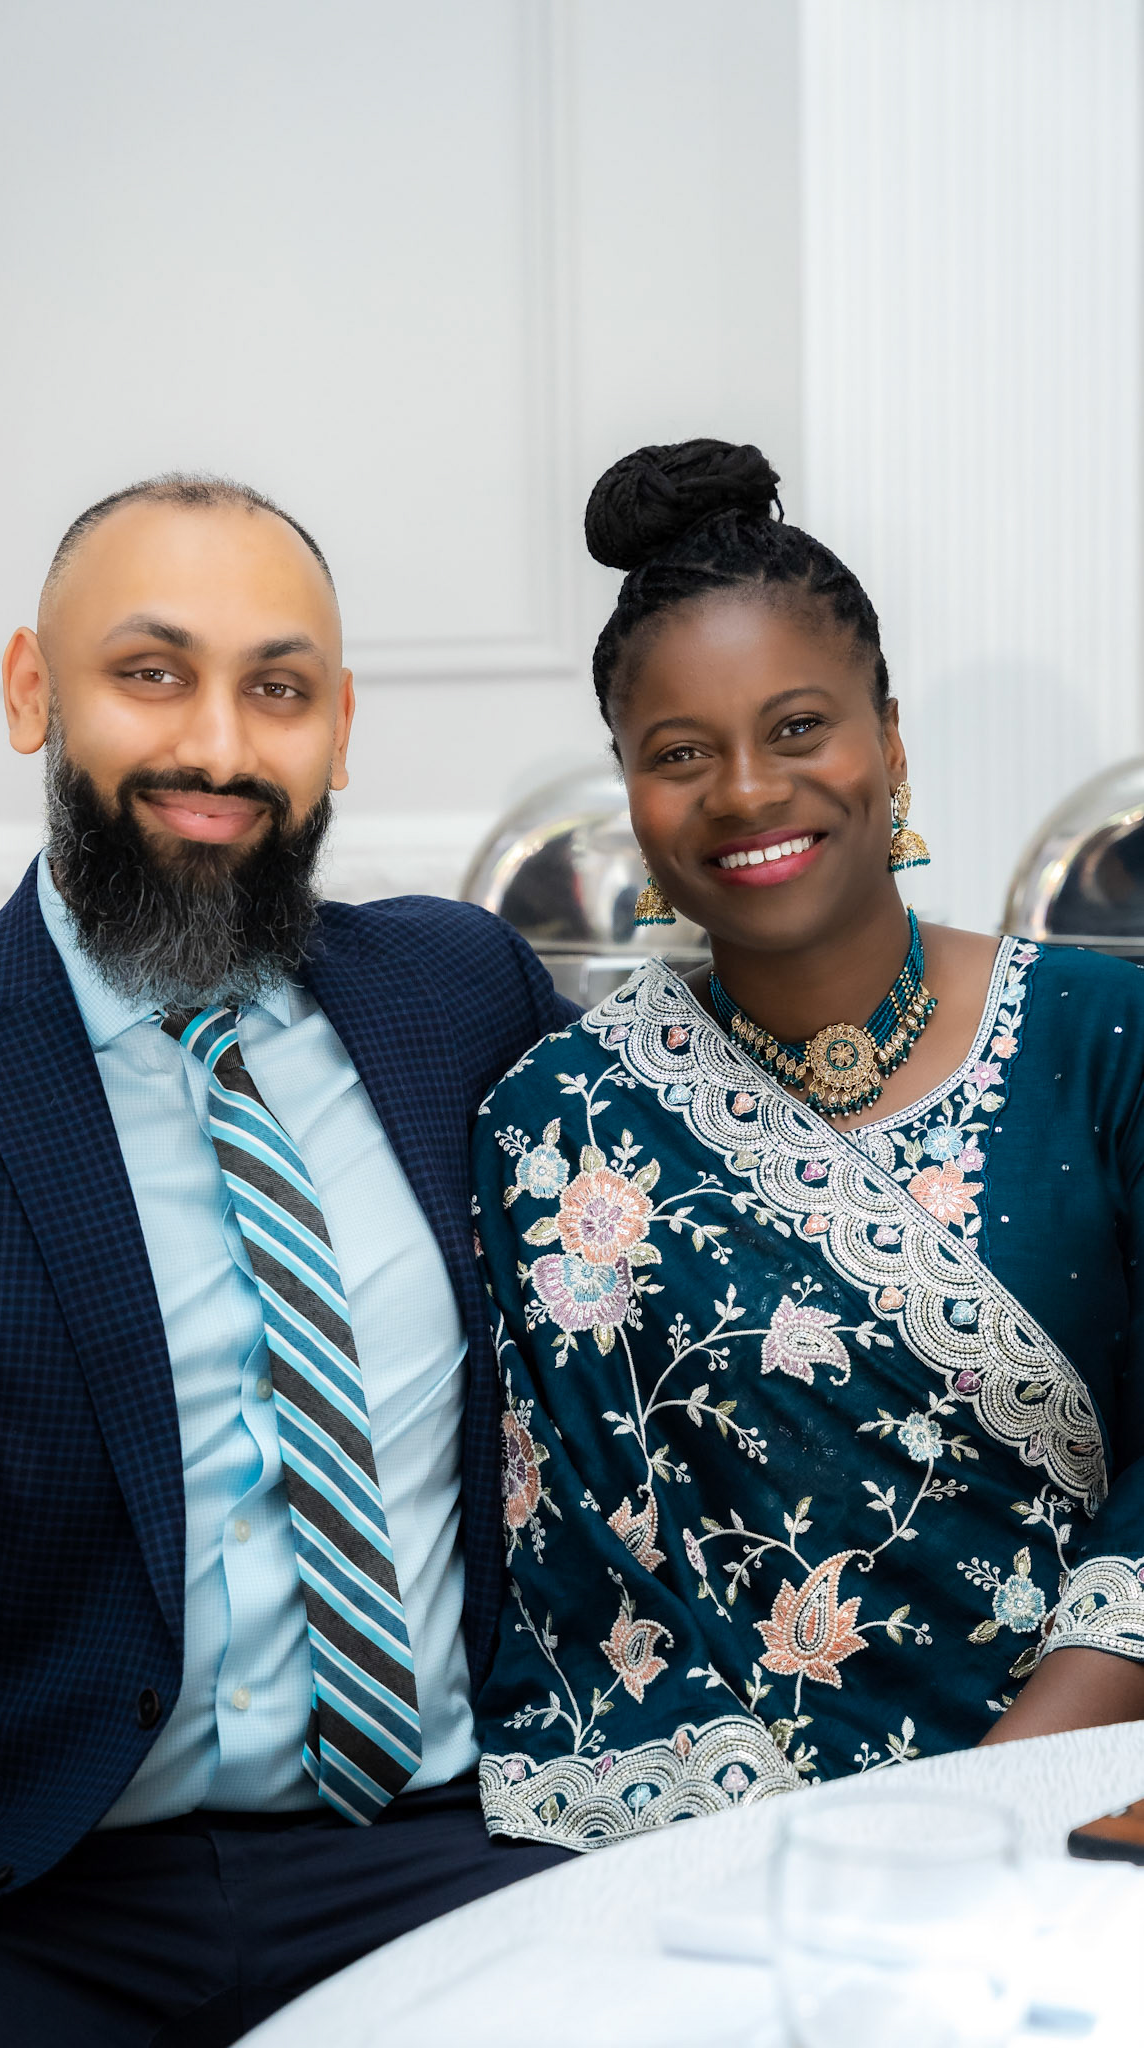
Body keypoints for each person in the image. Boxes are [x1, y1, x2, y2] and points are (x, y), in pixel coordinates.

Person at [0, 475, 578, 2048]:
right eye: (150, 673)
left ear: (339, 727)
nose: (216, 747)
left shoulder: (461, 995)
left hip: (447, 1856)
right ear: (33, 691)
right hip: (27, 1897)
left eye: (277, 689)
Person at [470, 438, 1144, 1854]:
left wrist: (983, 1823)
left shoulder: (1110, 1041)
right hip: (723, 1871)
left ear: (888, 745)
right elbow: (588, 1581)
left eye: (796, 728)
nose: (742, 790)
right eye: (678, 754)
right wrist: (795, 1887)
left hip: (1093, 1814)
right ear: (629, 792)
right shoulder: (560, 1121)